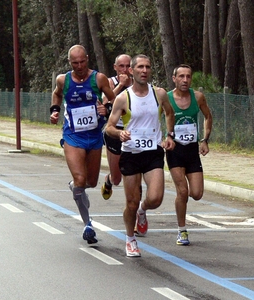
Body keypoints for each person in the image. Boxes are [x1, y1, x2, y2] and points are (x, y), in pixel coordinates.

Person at [106, 54, 175, 257]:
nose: (144, 71)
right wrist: (119, 133)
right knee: (131, 202)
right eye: (140, 67)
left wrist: (170, 135)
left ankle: (143, 211)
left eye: (148, 67)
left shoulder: (159, 94)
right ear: (131, 71)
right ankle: (130, 239)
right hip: (131, 153)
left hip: (153, 151)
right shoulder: (123, 98)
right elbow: (108, 127)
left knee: (155, 198)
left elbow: (169, 113)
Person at [50, 45, 115, 244]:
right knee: (80, 180)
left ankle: (75, 187)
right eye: (75, 63)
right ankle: (88, 224)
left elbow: (115, 100)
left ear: (87, 59)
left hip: (94, 136)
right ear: (70, 63)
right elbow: (57, 93)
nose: (79, 66)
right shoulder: (64, 79)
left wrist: (107, 108)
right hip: (73, 136)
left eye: (82, 62)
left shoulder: (99, 79)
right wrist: (54, 110)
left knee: (91, 182)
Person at [166, 64, 213, 246]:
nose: (185, 80)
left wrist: (205, 139)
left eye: (188, 77)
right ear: (174, 78)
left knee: (197, 193)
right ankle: (182, 230)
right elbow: (154, 118)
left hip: (192, 150)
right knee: (182, 192)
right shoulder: (167, 98)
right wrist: (164, 137)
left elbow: (208, 116)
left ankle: (182, 225)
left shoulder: (198, 97)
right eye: (181, 77)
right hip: (174, 151)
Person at [101, 54, 133, 200]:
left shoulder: (137, 84)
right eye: (121, 66)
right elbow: (105, 101)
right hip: (114, 132)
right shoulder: (110, 82)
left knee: (133, 171)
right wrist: (120, 85)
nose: (125, 70)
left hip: (132, 133)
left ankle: (134, 204)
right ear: (115, 67)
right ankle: (109, 180)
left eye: (128, 66)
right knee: (117, 179)